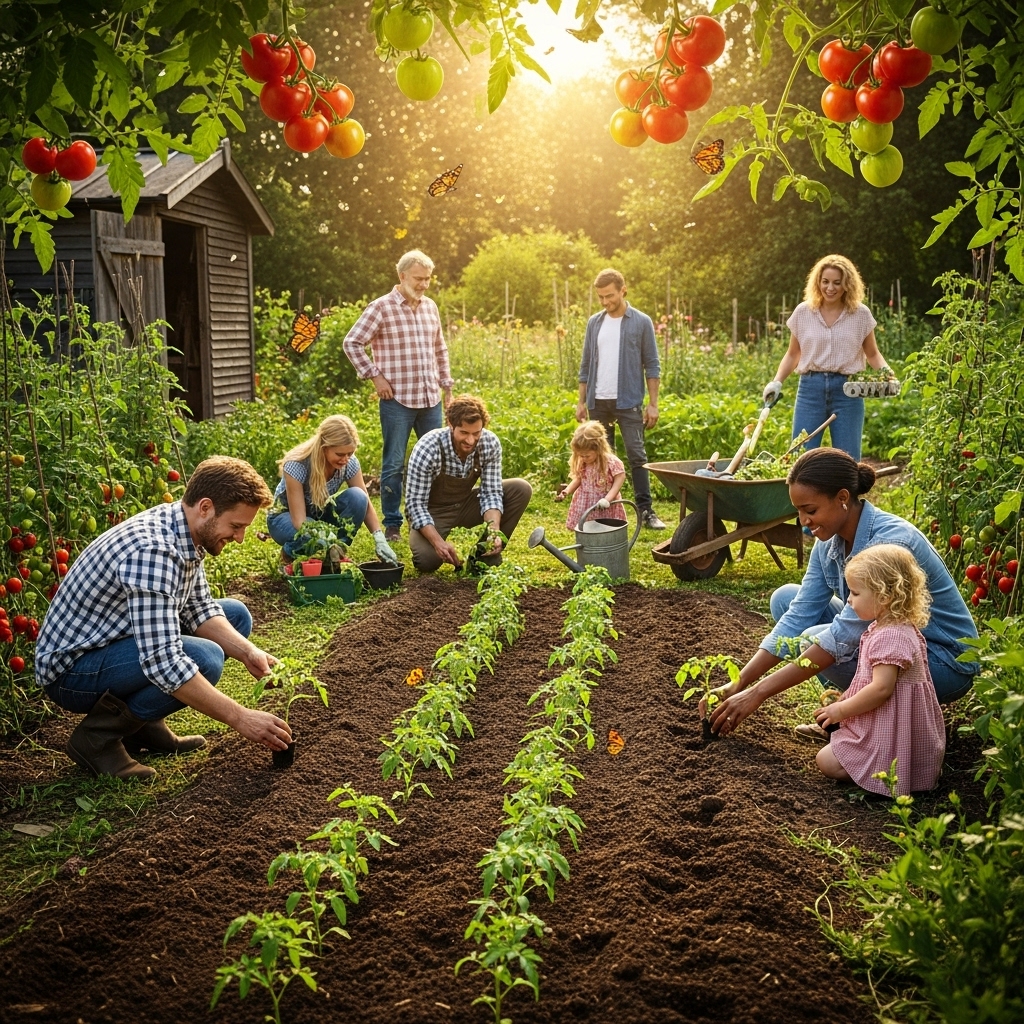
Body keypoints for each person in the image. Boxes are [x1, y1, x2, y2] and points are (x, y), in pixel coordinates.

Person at [34, 457, 293, 781]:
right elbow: (163, 661)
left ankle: (142, 727)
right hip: (73, 669)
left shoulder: (184, 528)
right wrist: (241, 718)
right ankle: (97, 739)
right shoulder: (154, 552)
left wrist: (248, 653)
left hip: (115, 637)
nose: (239, 537)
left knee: (234, 617)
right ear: (206, 507)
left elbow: (198, 607)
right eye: (236, 526)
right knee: (205, 658)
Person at [704, 447, 979, 740]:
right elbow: (800, 611)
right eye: (798, 511)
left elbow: (837, 640)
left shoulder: (888, 544)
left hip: (943, 660)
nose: (803, 521)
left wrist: (756, 694)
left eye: (810, 510)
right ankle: (847, 713)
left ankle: (862, 725)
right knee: (785, 599)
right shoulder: (829, 542)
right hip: (892, 640)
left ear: (843, 498)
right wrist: (739, 682)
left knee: (814, 639)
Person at [813, 544, 945, 795]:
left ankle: (883, 776)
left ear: (884, 597)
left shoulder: (891, 636)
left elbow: (881, 689)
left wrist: (841, 709)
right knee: (833, 748)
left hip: (890, 732)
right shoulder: (892, 627)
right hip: (889, 722)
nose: (849, 599)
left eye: (855, 592)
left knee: (826, 760)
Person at [342, 249, 455, 544]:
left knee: (435, 461)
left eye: (428, 279)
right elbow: (352, 342)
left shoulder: (430, 306)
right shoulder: (381, 307)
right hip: (397, 400)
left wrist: (448, 387)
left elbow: (440, 350)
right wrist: (375, 375)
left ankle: (428, 519)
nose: (423, 284)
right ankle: (392, 523)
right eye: (419, 278)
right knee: (393, 463)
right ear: (402, 275)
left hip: (430, 397)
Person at [762, 254, 895, 462]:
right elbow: (793, 353)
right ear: (818, 282)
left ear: (847, 284)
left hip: (848, 392)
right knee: (801, 457)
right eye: (825, 282)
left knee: (848, 460)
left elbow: (872, 353)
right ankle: (803, 496)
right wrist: (776, 381)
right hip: (810, 390)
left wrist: (888, 374)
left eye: (836, 282)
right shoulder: (803, 312)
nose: (830, 288)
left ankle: (848, 495)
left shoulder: (860, 314)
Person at [576, 268, 666, 530]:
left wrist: (653, 403)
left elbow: (652, 365)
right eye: (601, 297)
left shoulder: (641, 322)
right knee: (604, 459)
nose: (605, 302)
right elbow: (585, 365)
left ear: (623, 290)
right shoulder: (595, 322)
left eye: (610, 296)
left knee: (636, 455)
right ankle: (606, 512)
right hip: (598, 401)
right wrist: (581, 401)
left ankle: (646, 510)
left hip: (628, 400)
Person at [404, 394, 532, 572]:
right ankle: (434, 548)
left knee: (520, 489)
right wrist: (438, 543)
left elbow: (491, 493)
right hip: (433, 512)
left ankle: (483, 556)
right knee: (427, 561)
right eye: (464, 433)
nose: (470, 440)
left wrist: (494, 532)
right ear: (450, 424)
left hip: (466, 504)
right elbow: (415, 506)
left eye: (476, 433)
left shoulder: (489, 442)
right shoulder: (428, 448)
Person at [266, 413, 398, 564]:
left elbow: (365, 503)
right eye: (340, 454)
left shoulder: (349, 462)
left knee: (358, 497)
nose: (346, 459)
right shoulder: (297, 465)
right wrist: (324, 538)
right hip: (286, 518)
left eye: (350, 453)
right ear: (324, 447)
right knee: (310, 536)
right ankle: (289, 553)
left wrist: (379, 537)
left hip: (317, 515)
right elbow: (300, 522)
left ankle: (334, 554)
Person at [556, 420, 627, 532]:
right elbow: (578, 479)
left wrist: (607, 499)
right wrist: (566, 491)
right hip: (585, 501)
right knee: (586, 529)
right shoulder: (583, 461)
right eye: (581, 455)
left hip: (603, 502)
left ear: (598, 449)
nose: (583, 458)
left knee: (604, 529)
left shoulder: (611, 462)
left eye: (587, 456)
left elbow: (620, 478)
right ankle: (587, 546)